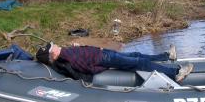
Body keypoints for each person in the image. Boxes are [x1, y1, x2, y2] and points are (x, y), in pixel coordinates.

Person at [36, 42, 194, 82]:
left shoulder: (64, 53)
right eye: (52, 47)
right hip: (104, 59)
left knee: (135, 54)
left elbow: (83, 55)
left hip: (102, 52)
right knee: (139, 63)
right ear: (52, 53)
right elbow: (86, 69)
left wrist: (82, 46)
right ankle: (175, 74)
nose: (54, 45)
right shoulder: (66, 58)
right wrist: (106, 66)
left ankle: (166, 56)